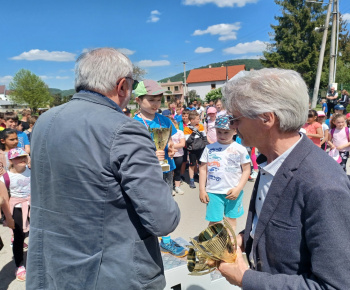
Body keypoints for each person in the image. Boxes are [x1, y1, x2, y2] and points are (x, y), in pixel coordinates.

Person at [26, 48, 181, 289]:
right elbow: (163, 220)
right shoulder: (125, 129)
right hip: (109, 272)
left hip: (52, 267)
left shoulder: (45, 121)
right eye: (132, 84)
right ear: (122, 86)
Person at [217, 68, 350, 289]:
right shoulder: (270, 159)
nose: (232, 126)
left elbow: (335, 285)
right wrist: (245, 239)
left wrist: (246, 278)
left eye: (235, 119)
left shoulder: (324, 185)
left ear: (266, 118)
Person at [133, 79, 187, 257]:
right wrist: (150, 154)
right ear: (138, 100)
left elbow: (171, 141)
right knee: (148, 204)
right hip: (147, 171)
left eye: (159, 100)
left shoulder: (164, 120)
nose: (156, 104)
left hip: (166, 169)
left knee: (166, 204)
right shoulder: (134, 124)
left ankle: (165, 240)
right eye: (151, 100)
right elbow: (131, 151)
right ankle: (151, 239)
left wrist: (171, 148)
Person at [199, 115, 250, 231]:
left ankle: (229, 243)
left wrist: (238, 188)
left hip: (233, 192)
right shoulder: (209, 148)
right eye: (219, 132)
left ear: (235, 131)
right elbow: (202, 169)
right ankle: (212, 246)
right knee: (215, 222)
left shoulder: (240, 149)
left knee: (230, 220)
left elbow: (247, 170)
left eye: (226, 132)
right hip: (214, 192)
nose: (222, 136)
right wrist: (202, 189)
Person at [0, 148, 31, 281]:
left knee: (36, 234)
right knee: (19, 237)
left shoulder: (32, 171)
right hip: (16, 208)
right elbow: (4, 199)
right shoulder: (5, 177)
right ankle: (19, 265)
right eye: (18, 158)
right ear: (11, 160)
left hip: (33, 206)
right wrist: (8, 218)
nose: (22, 159)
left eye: (24, 156)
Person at [184, 111, 207, 188]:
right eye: (197, 119)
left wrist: (206, 145)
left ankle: (202, 179)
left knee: (201, 165)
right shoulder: (187, 129)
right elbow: (188, 141)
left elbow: (204, 137)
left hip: (201, 148)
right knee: (192, 165)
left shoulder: (201, 126)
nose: (199, 120)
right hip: (192, 150)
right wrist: (193, 132)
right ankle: (191, 180)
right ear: (192, 120)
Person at [169, 117, 186, 195]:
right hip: (168, 155)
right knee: (169, 172)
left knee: (177, 171)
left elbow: (182, 144)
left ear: (175, 124)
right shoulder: (165, 132)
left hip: (178, 155)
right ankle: (170, 187)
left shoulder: (180, 132)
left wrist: (170, 146)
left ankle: (177, 187)